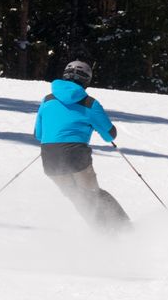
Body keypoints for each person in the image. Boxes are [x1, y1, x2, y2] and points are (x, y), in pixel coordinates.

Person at [34, 58, 130, 230]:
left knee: (77, 198)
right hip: (76, 155)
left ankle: (101, 232)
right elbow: (109, 134)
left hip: (50, 157)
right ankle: (124, 228)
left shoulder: (47, 100)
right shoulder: (89, 103)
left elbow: (38, 134)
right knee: (93, 194)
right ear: (86, 80)